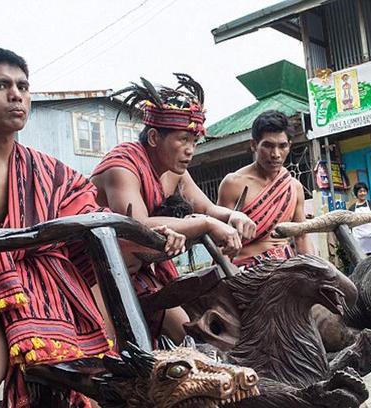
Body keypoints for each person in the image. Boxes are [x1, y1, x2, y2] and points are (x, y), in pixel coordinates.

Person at [0, 48, 141, 408]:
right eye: (0, 85)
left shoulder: (50, 169)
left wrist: (161, 237)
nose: (16, 94)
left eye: (22, 85)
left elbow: (92, 224)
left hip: (59, 303)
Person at [91, 75, 256, 341]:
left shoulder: (175, 171)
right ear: (155, 137)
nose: (190, 150)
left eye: (194, 141)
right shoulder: (122, 167)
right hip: (94, 273)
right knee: (109, 354)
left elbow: (209, 208)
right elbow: (136, 227)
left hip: (139, 272)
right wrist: (205, 224)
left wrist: (233, 215)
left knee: (192, 339)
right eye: (183, 140)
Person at [217, 110, 314, 268]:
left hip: (288, 268)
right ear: (254, 145)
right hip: (247, 270)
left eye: (282, 146)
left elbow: (301, 237)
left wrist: (313, 270)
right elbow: (221, 239)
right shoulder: (233, 184)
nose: (276, 154)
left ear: (289, 146)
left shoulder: (293, 186)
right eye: (268, 146)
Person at [348, 182, 371, 254]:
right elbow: (349, 224)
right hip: (359, 239)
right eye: (360, 191)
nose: (363, 193)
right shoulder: (352, 209)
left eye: (364, 191)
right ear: (356, 193)